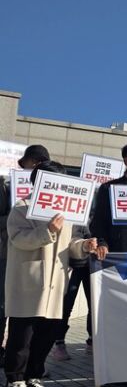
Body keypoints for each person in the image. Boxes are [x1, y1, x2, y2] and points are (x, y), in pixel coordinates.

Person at [5, 160, 105, 387]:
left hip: (55, 282)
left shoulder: (66, 211)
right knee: (22, 336)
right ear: (38, 182)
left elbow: (70, 244)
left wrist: (84, 245)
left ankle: (34, 374)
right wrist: (48, 230)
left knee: (46, 335)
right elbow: (19, 239)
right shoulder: (22, 207)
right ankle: (15, 378)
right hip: (28, 280)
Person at [0, 145, 51, 367]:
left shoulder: (56, 197)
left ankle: (31, 366)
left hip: (40, 260)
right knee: (5, 308)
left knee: (35, 317)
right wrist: (16, 214)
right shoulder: (8, 188)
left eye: (36, 164)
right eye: (28, 164)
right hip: (7, 254)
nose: (31, 168)